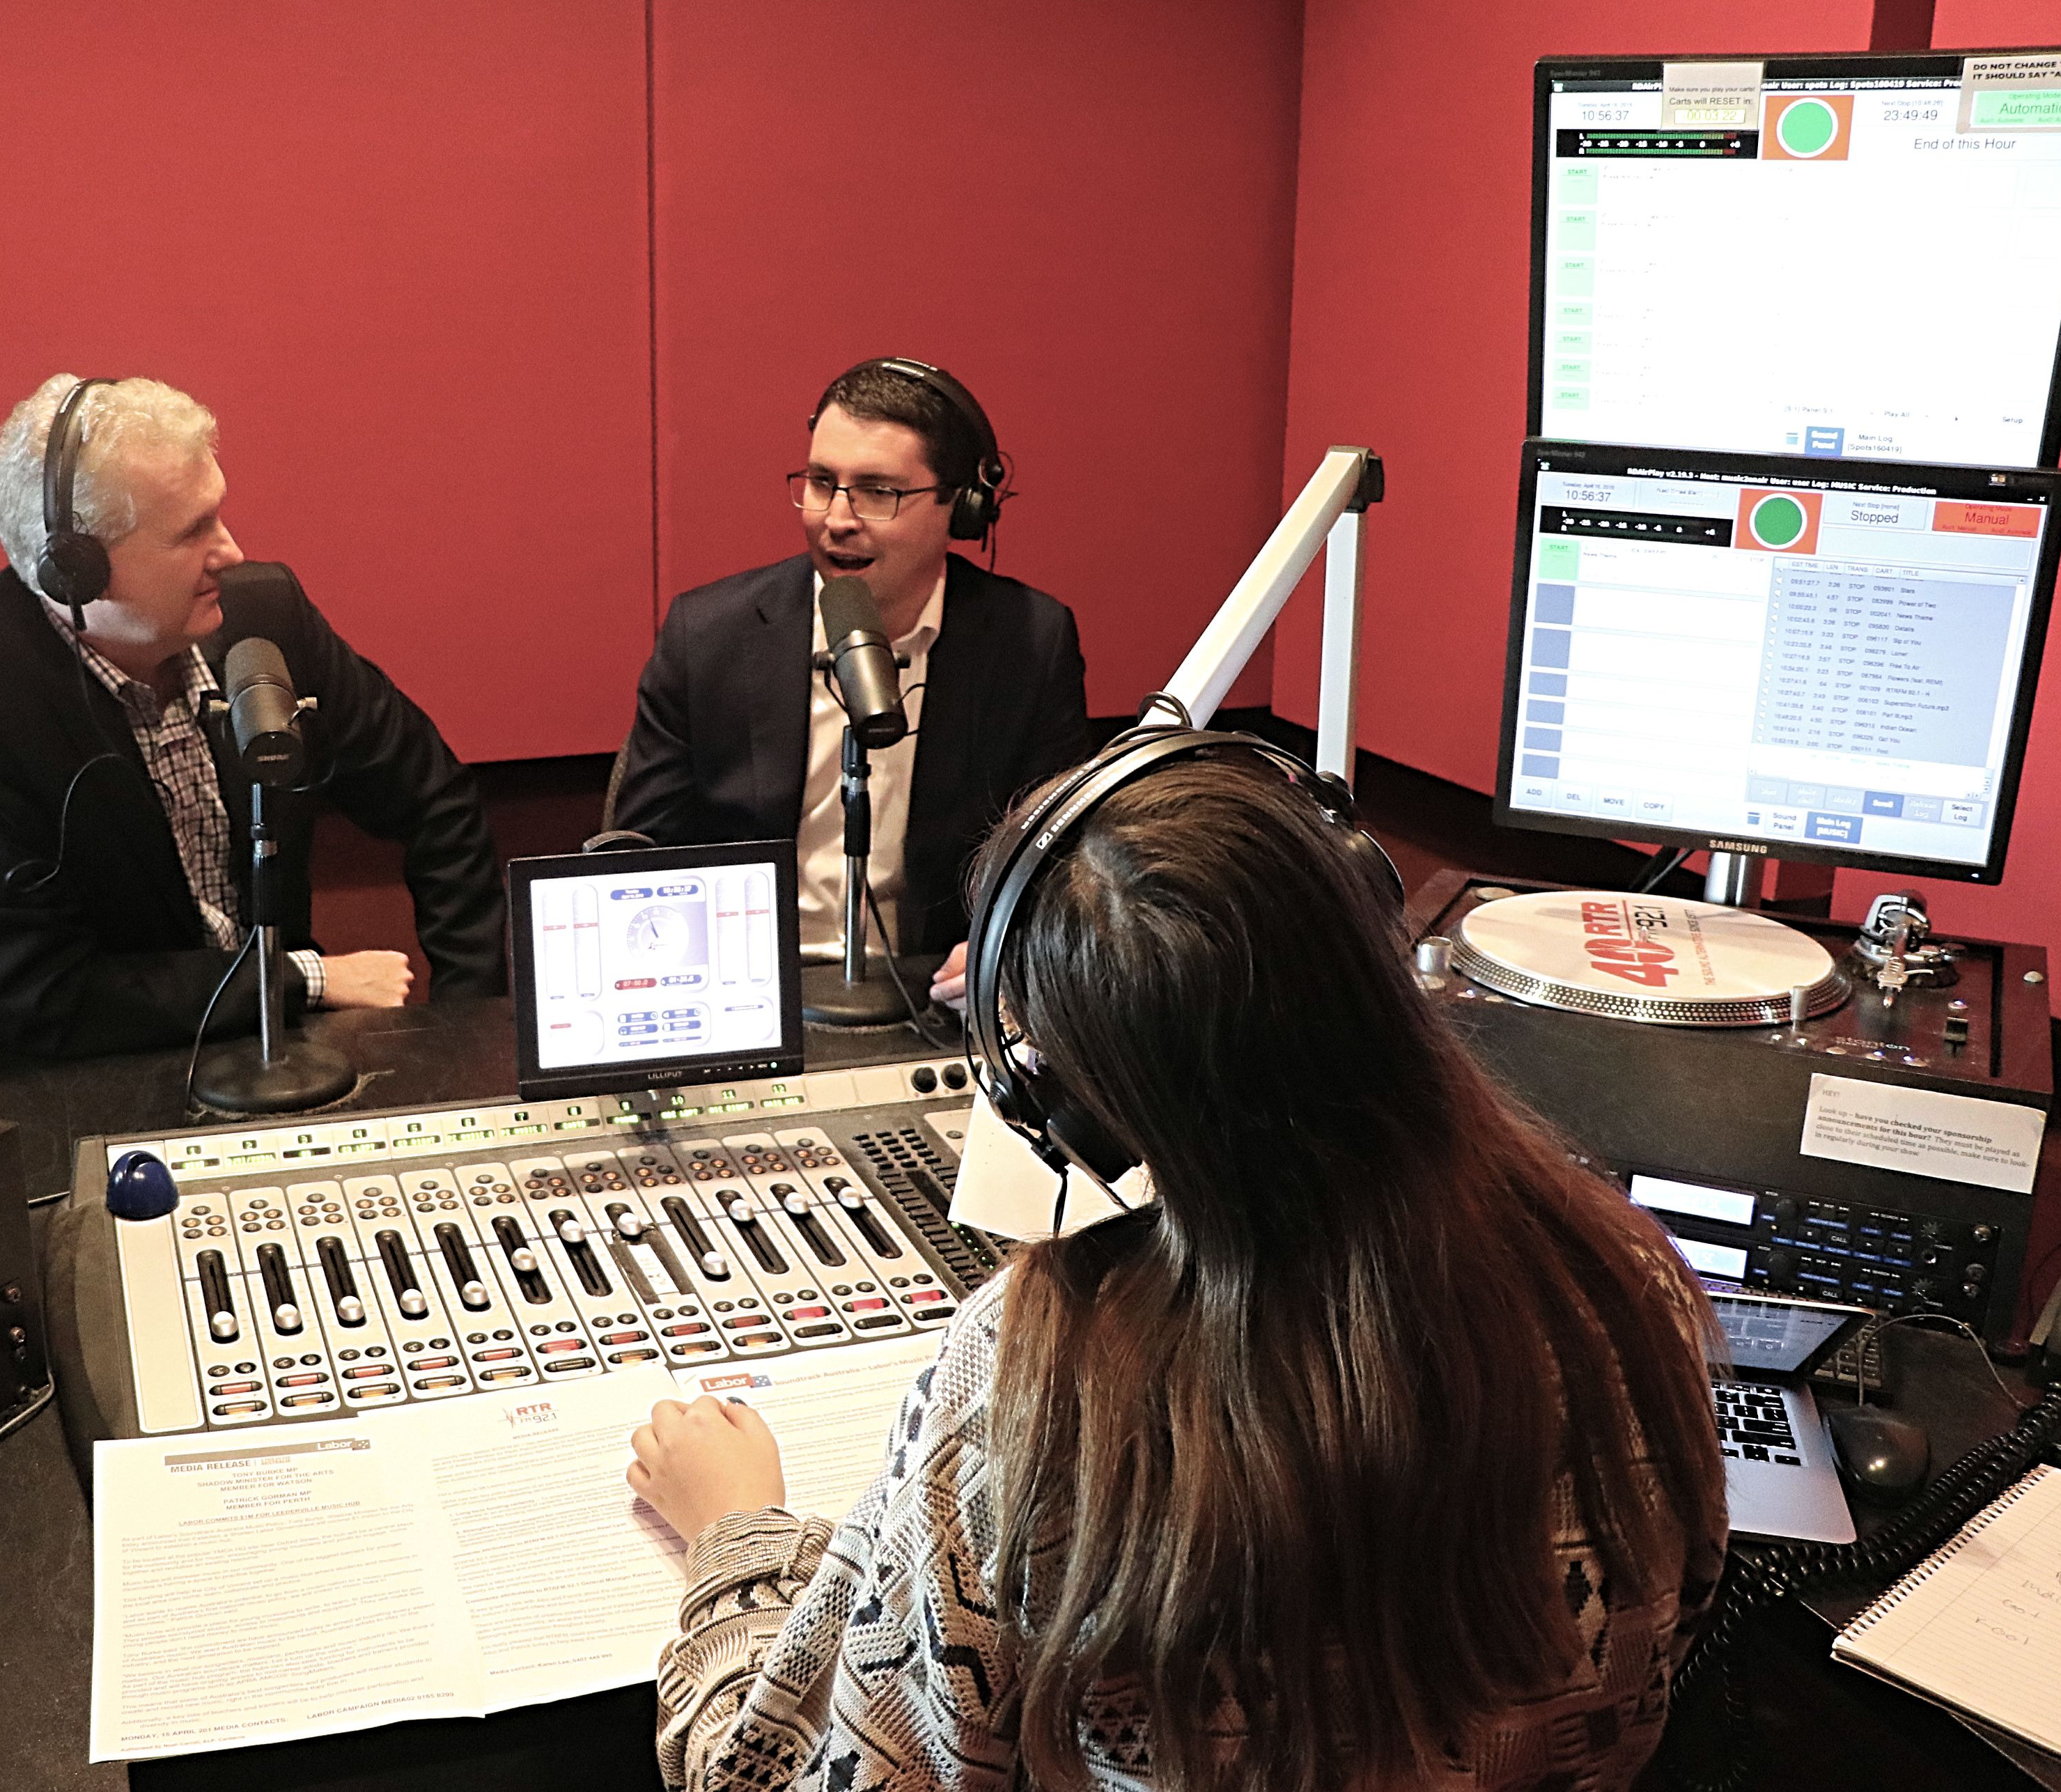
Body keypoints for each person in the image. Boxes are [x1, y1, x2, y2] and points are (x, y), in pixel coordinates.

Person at [627, 751, 1729, 1791]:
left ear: (1060, 1110)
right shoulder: (1625, 1287)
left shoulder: (1033, 1391)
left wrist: (739, 1534)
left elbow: (788, 1768)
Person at [0, 373, 503, 1057]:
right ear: (78, 570)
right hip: (90, 1073)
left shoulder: (264, 619)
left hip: (283, 1050)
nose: (232, 552)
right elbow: (44, 993)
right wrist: (302, 979)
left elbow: (436, 803)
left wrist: (466, 1022)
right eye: (193, 531)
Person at [609, 359, 1090, 1007]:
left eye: (877, 492)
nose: (836, 518)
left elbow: (1060, 860)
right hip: (743, 990)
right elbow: (638, 856)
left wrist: (1014, 943)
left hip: (937, 994)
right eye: (820, 482)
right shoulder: (709, 635)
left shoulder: (1028, 642)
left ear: (961, 508)